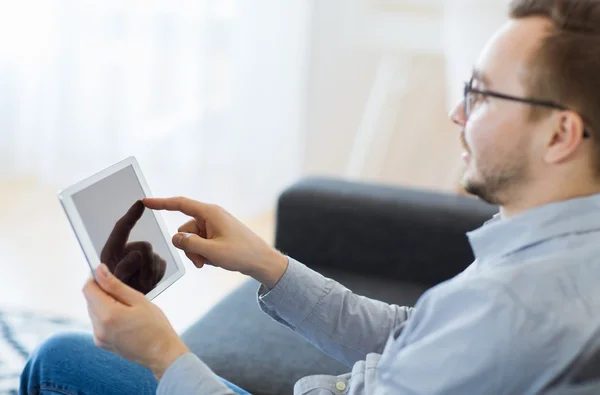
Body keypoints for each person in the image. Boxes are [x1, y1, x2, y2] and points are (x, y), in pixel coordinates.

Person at [19, 0, 600, 393]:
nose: (457, 113)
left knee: (59, 360)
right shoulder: (556, 248)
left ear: (560, 134)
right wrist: (269, 267)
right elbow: (416, 337)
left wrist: (164, 355)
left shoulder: (519, 306)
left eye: (482, 95)